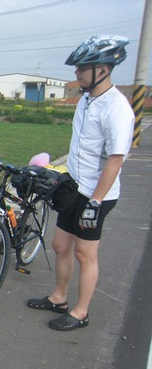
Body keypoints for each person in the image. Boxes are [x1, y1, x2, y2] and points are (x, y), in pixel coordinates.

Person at [27, 35, 134, 331]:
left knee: (85, 253)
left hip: (96, 194)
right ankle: (59, 297)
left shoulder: (117, 108)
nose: (76, 74)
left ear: (102, 69)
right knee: (61, 244)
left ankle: (80, 312)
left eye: (81, 68)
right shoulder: (87, 100)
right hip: (75, 186)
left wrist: (95, 203)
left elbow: (115, 160)